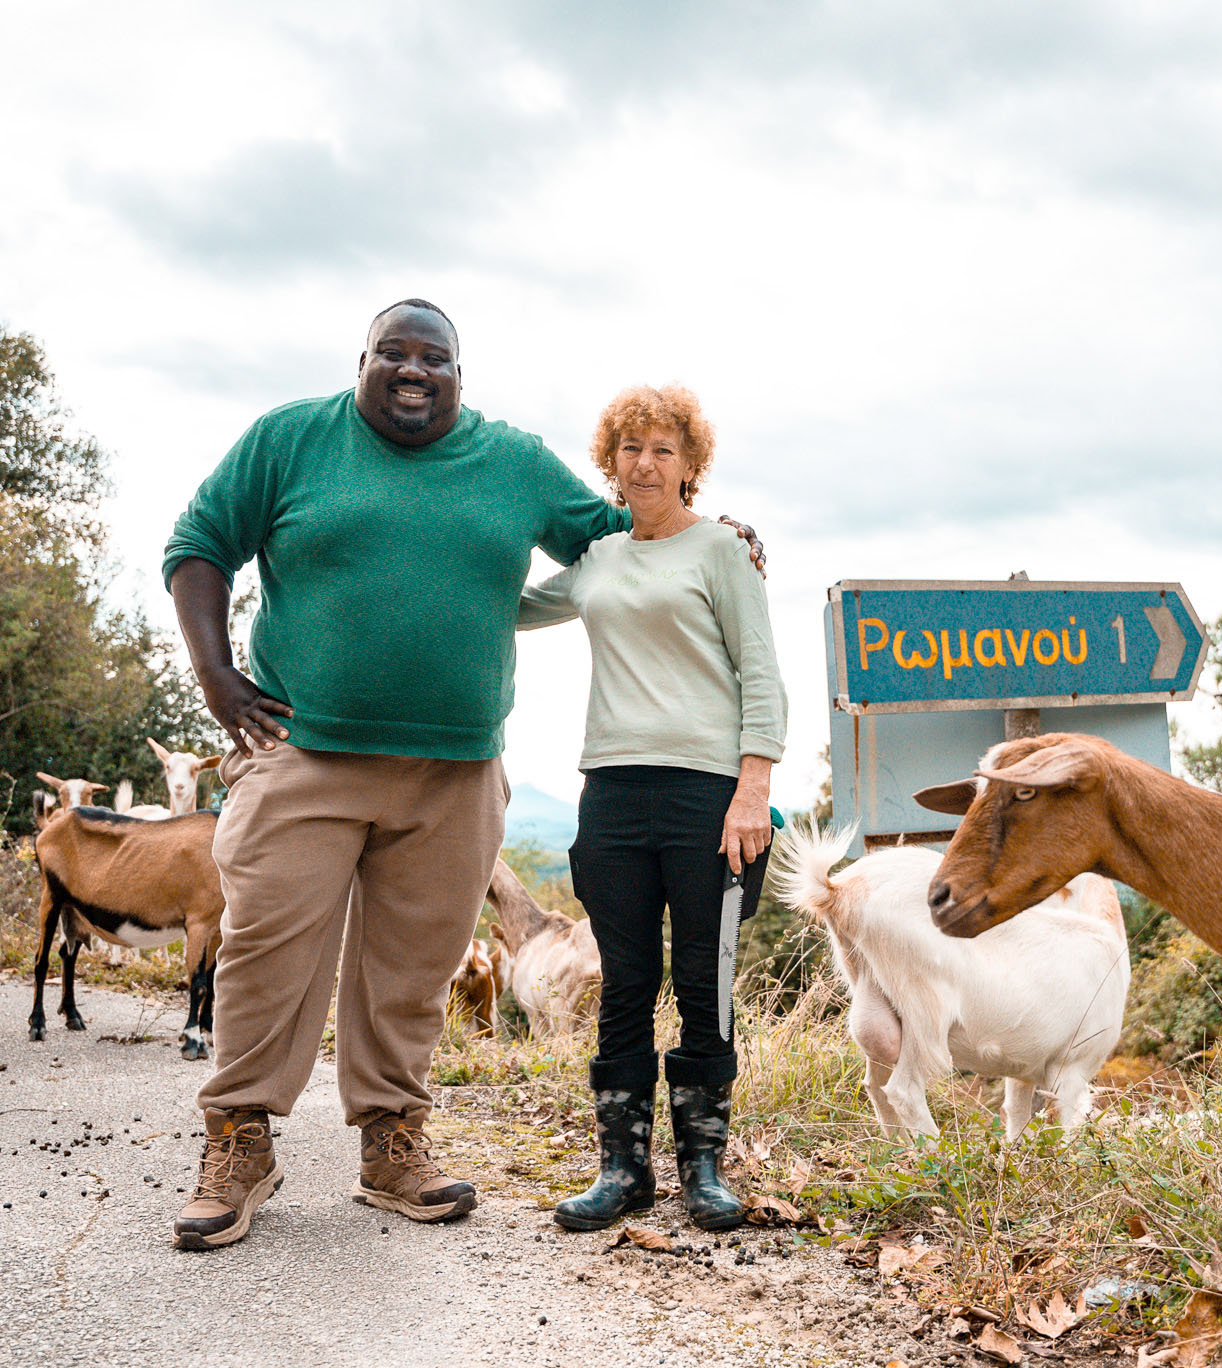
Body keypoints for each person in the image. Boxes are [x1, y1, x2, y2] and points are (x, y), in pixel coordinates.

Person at [158, 302, 762, 1251]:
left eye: (432, 357)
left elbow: (622, 535)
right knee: (268, 948)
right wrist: (217, 675)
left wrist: (715, 535)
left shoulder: (512, 463)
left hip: (455, 770)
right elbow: (197, 546)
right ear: (360, 361)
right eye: (391, 353)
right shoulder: (290, 440)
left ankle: (392, 1143)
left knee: (415, 966)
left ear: (457, 375)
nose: (412, 369)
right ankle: (240, 1140)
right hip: (303, 751)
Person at [517, 385, 786, 1232]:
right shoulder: (598, 558)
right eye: (631, 447)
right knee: (625, 984)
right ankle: (622, 1170)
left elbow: (761, 676)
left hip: (709, 796)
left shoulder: (723, 552)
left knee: (706, 985)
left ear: (692, 465)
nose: (645, 463)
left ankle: (703, 1168)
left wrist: (753, 791)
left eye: (664, 449)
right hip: (613, 794)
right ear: (612, 460)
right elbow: (513, 608)